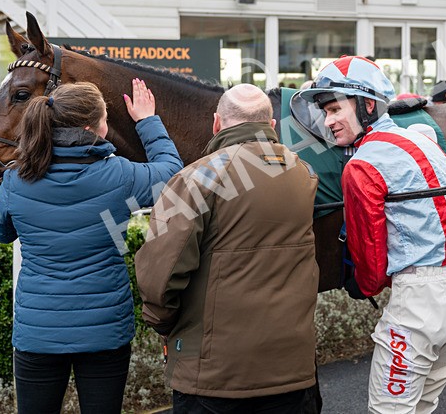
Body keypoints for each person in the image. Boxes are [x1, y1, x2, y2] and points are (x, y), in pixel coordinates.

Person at [0, 79, 183, 414]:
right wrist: (148, 121)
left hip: (39, 330)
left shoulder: (16, 178)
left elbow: (0, 232)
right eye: (106, 119)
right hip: (105, 329)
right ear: (93, 129)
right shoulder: (119, 174)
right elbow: (173, 175)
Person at [298, 56, 446, 413]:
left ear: (367, 105)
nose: (328, 121)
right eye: (325, 112)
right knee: (423, 406)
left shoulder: (361, 165)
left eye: (335, 109)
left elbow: (370, 256)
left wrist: (365, 285)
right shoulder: (425, 141)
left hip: (418, 306)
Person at [135, 83, 320, 414]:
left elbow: (160, 276)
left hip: (214, 375)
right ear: (271, 125)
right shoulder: (303, 172)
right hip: (293, 369)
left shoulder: (197, 178)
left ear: (217, 122)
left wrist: (164, 324)